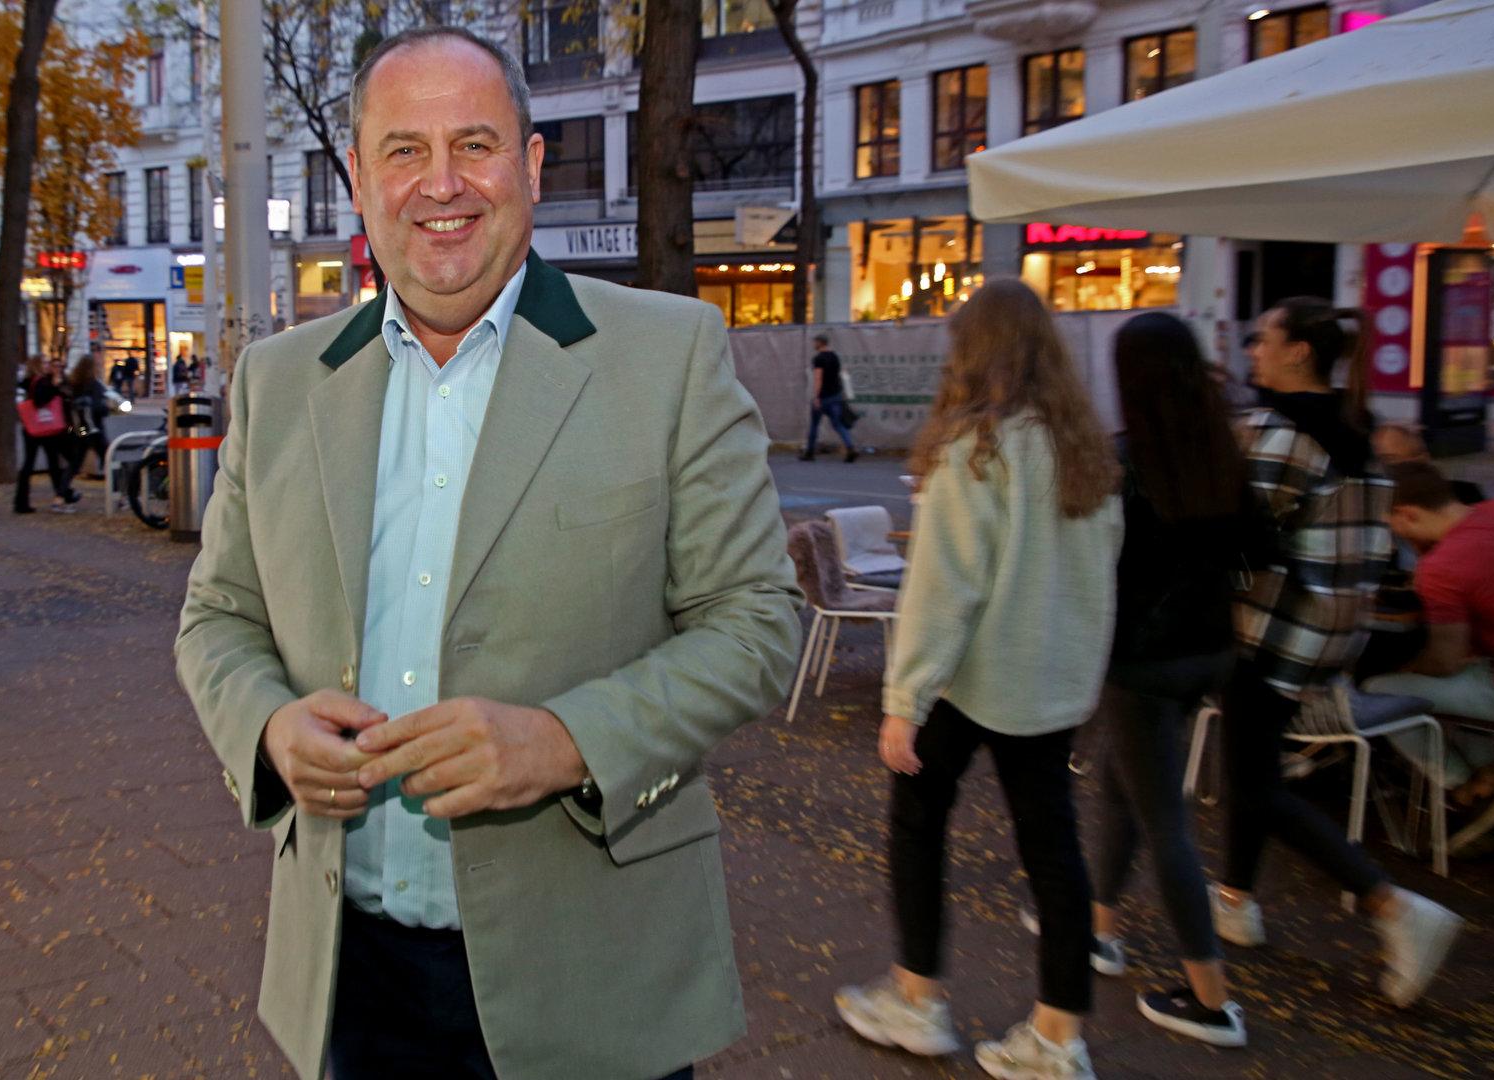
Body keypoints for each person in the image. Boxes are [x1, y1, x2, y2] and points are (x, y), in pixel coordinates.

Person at [174, 26, 802, 1080]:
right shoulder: (278, 383)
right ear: (359, 179)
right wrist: (270, 728)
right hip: (352, 975)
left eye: (474, 143)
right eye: (404, 151)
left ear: (532, 164)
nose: (442, 184)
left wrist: (565, 742)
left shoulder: (667, 355)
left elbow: (756, 623)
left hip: (594, 972)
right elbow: (217, 618)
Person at [834, 279, 1122, 1080]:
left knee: (917, 823)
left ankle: (917, 996)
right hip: (1050, 684)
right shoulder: (1085, 451)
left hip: (971, 680)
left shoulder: (974, 450)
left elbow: (942, 588)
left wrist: (905, 700)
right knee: (1054, 849)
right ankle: (1058, 1036)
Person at [1217, 297, 1460, 1006]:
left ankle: (1392, 905)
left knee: (1253, 782)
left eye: (1263, 338)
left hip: (1270, 630)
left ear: (1298, 351)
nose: (1253, 349)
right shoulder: (1358, 431)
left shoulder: (1276, 434)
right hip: (1334, 633)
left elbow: (1239, 543)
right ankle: (1234, 899)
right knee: (1253, 765)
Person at [1078, 312, 1253, 1047]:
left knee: (1164, 823)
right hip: (1209, 650)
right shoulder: (1222, 450)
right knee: (1122, 785)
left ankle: (1211, 1000)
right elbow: (1257, 548)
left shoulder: (1125, 462)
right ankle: (1098, 927)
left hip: (1141, 661)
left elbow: (1095, 562)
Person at [1365, 460, 1494, 844]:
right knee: (1465, 675)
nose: (1393, 535)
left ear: (1407, 514)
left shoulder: (1441, 566)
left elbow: (1443, 662)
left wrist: (1410, 667)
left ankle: (1462, 785)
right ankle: (1490, 771)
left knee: (1381, 691)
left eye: (1391, 525)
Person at [14, 355, 80, 514]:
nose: (47, 365)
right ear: (37, 365)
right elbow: (40, 400)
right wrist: (54, 387)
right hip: (45, 427)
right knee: (52, 462)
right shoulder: (41, 382)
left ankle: (23, 501)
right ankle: (62, 494)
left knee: (36, 463)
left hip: (33, 427)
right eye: (44, 363)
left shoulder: (31, 381)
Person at [1372, 423, 1487, 504]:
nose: (1385, 467)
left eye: (1391, 458)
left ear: (1421, 459)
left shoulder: (1465, 495)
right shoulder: (1376, 501)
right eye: (1381, 459)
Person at [799, 332, 857, 462]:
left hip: (823, 397)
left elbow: (818, 378)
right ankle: (850, 447)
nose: (814, 344)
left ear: (820, 343)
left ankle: (810, 452)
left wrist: (817, 397)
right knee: (838, 424)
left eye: (815, 342)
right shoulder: (835, 356)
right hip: (835, 396)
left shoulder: (819, 359)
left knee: (814, 425)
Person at [66, 355, 112, 479]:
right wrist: (107, 408)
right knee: (108, 456)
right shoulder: (94, 384)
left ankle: (62, 488)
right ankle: (117, 485)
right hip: (94, 428)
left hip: (80, 427)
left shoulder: (74, 384)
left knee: (76, 460)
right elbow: (99, 407)